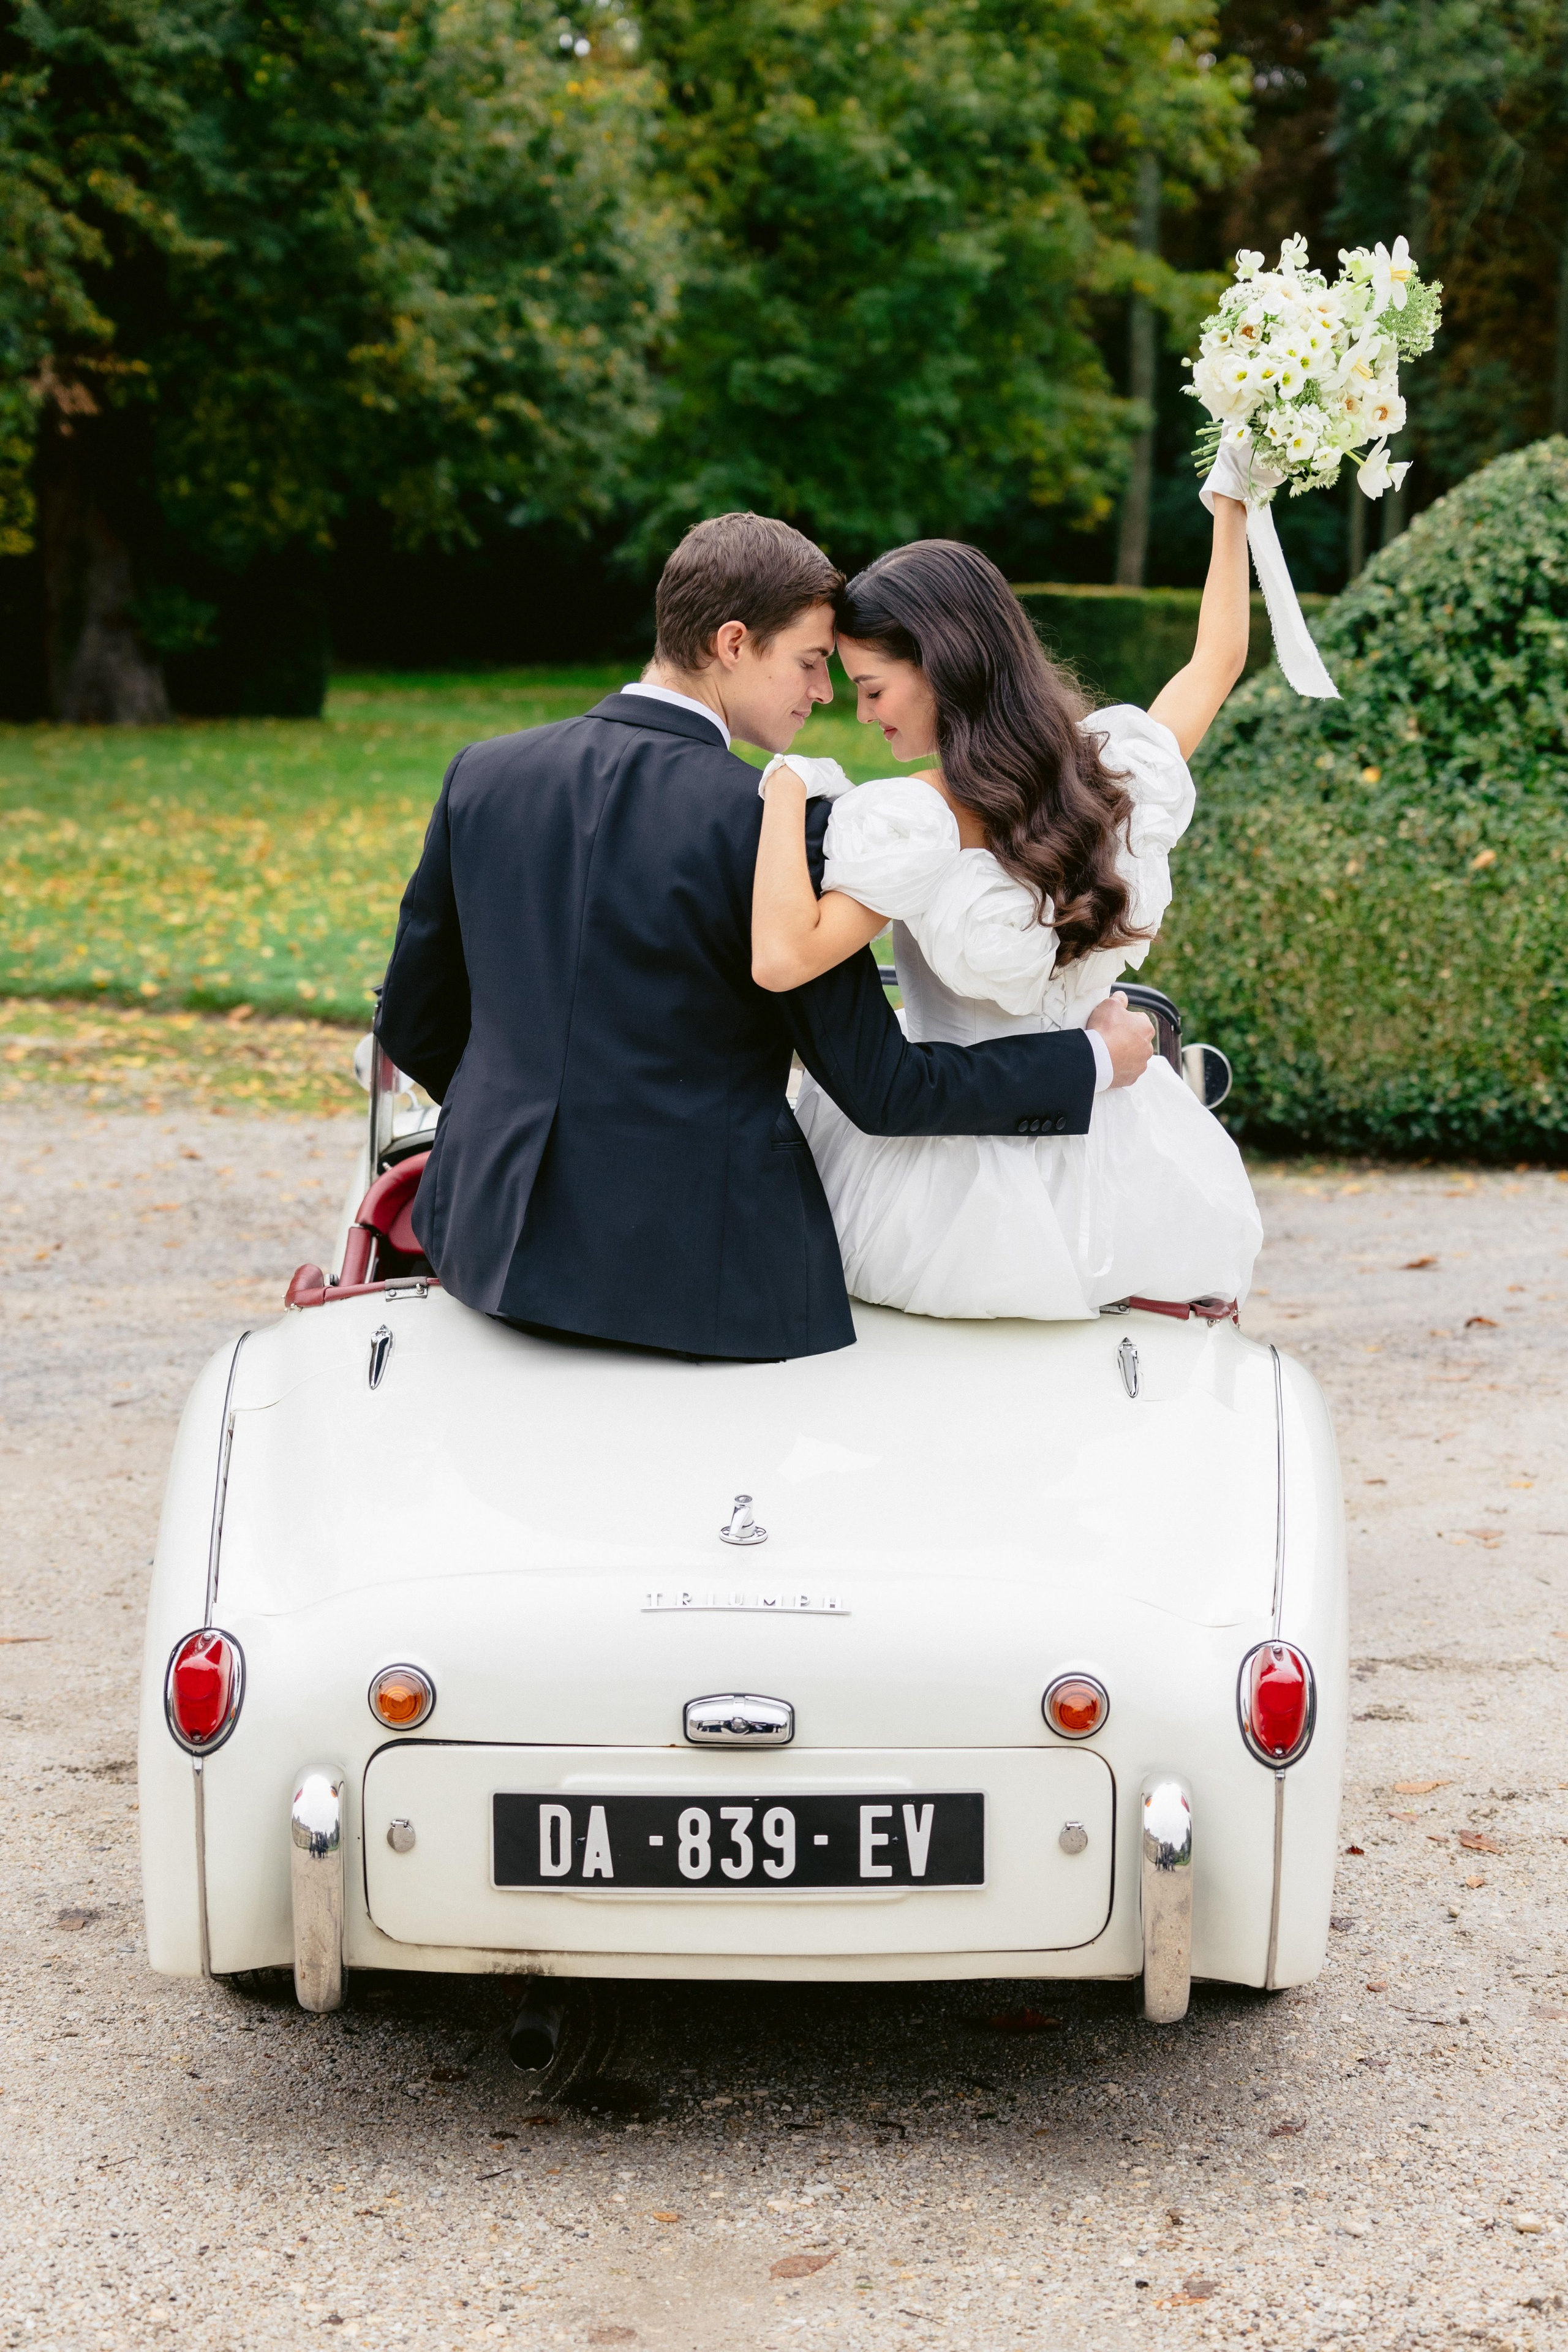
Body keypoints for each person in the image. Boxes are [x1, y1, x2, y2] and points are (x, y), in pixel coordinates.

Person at [376, 511, 1155, 1362]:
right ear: (734, 642)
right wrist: (1092, 1063)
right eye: (812, 663)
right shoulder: (777, 830)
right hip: (700, 1281)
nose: (823, 695)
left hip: (489, 1245)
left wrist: (513, 1125)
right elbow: (883, 1089)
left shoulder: (484, 774)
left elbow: (415, 1020)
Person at [748, 510, 1263, 1321]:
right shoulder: (1108, 772)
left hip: (956, 1188)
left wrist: (782, 788)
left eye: (872, 689)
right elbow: (1217, 661)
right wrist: (1230, 512)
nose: (862, 715)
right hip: (1127, 1159)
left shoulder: (915, 819)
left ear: (944, 667)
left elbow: (783, 961)